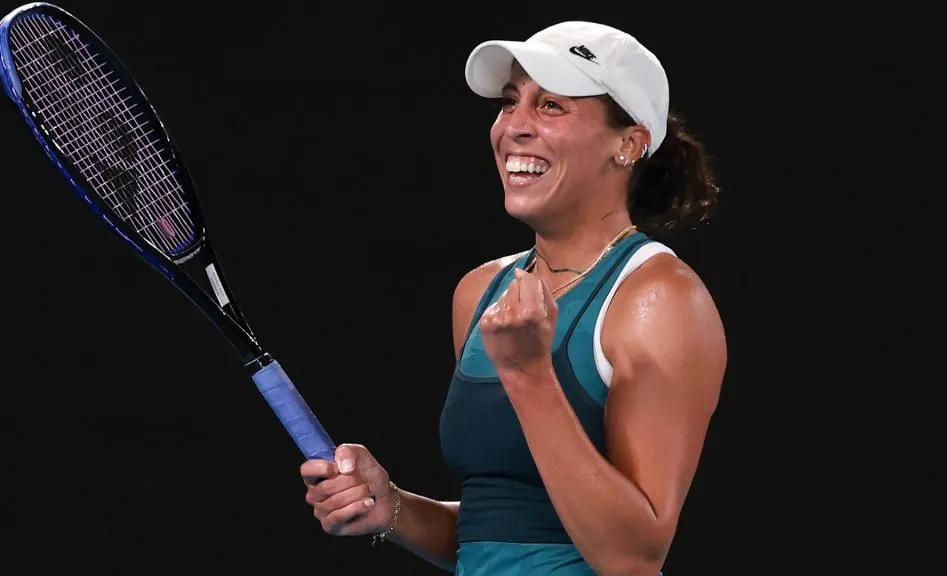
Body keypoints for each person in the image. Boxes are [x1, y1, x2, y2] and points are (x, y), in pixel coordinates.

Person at [299, 21, 726, 576]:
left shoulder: (660, 299)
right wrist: (395, 509)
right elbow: (501, 536)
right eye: (509, 102)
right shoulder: (480, 293)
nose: (514, 126)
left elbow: (631, 558)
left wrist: (529, 376)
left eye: (550, 105)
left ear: (628, 143)